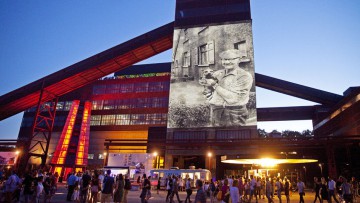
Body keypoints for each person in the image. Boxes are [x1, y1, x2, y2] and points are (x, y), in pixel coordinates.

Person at [200, 49, 253, 127]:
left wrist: (214, 84)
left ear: (239, 60)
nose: (227, 62)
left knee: (235, 137)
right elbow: (207, 87)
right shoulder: (218, 73)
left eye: (231, 59)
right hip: (216, 111)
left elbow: (234, 99)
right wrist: (210, 98)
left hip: (234, 113)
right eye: (224, 59)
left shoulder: (244, 76)